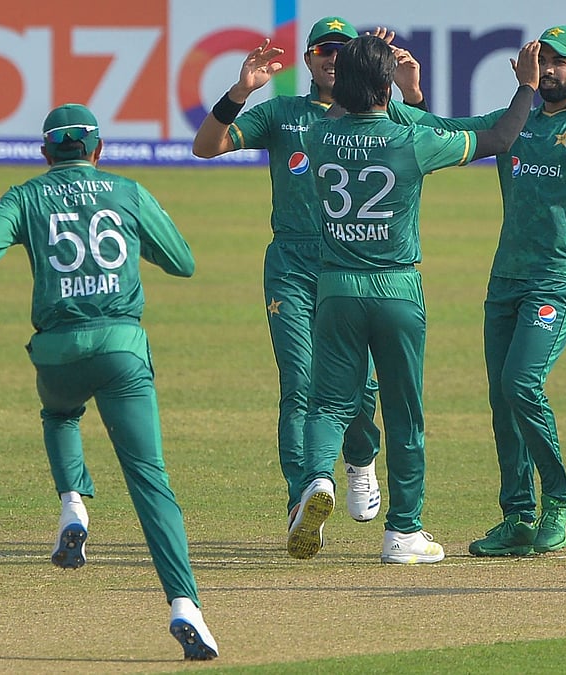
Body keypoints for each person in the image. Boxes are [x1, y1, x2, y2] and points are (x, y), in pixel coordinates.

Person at [0, 104, 219, 659]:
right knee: (150, 482)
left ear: (46, 154)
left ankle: (73, 504)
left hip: (57, 354)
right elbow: (182, 262)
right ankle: (185, 606)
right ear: (99, 150)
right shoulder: (127, 189)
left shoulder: (22, 195)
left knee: (60, 413)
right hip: (120, 350)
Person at [283, 35, 541, 564]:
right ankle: (403, 532)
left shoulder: (315, 134)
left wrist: (369, 70)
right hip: (397, 289)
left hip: (334, 288)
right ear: (384, 86)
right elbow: (498, 136)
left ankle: (314, 481)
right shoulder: (408, 138)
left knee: (330, 403)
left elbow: (345, 107)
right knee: (404, 413)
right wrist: (527, 86)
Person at [192, 18, 433, 532]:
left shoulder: (383, 115)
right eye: (323, 49)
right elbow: (206, 146)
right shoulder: (283, 114)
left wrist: (412, 95)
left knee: (363, 392)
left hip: (352, 267)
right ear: (307, 61)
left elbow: (421, 147)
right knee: (300, 384)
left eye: (344, 51)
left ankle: (360, 460)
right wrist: (240, 91)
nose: (333, 58)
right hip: (294, 267)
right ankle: (304, 498)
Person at [412, 26, 566, 557]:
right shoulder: (515, 125)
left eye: (559, 62)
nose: (549, 70)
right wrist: (410, 97)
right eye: (541, 61)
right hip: (506, 279)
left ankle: (560, 501)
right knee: (501, 399)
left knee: (521, 383)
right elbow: (442, 129)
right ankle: (517, 516)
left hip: (558, 277)